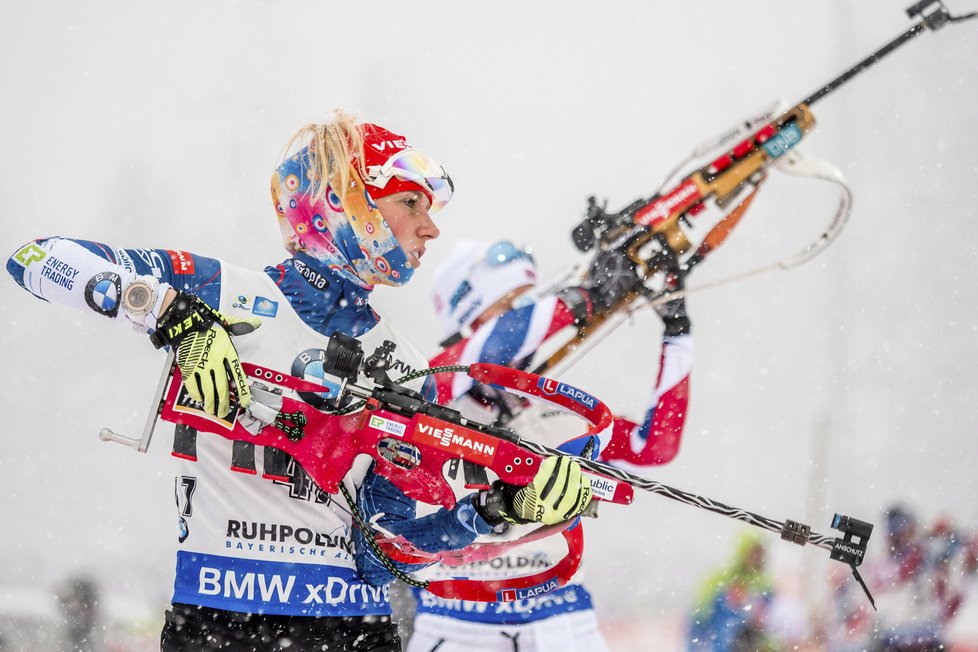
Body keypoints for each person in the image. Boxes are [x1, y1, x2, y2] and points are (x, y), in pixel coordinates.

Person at [5, 112, 593, 652]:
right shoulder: (229, 294)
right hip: (218, 623)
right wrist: (171, 316)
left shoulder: (410, 367)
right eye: (411, 203)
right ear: (343, 202)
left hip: (354, 631)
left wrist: (496, 510)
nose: (430, 227)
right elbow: (35, 258)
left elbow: (382, 552)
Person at [400, 239, 694, 652]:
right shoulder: (427, 393)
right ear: (469, 319)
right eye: (511, 307)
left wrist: (677, 335)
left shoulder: (559, 408)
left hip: (562, 622)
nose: (528, 323)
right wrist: (582, 299)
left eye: (530, 305)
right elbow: (493, 345)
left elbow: (654, 446)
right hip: (457, 623)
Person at [865, 504, 978, 652]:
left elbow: (950, 599)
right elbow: (896, 576)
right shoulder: (880, 565)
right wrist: (921, 551)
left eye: (906, 528)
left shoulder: (930, 559)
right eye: (897, 531)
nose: (902, 536)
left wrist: (954, 544)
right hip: (894, 642)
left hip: (931, 640)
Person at [687, 532, 778, 652]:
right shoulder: (720, 580)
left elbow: (769, 624)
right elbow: (699, 618)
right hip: (721, 645)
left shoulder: (766, 587)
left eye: (760, 553)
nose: (757, 558)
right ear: (743, 553)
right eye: (753, 552)